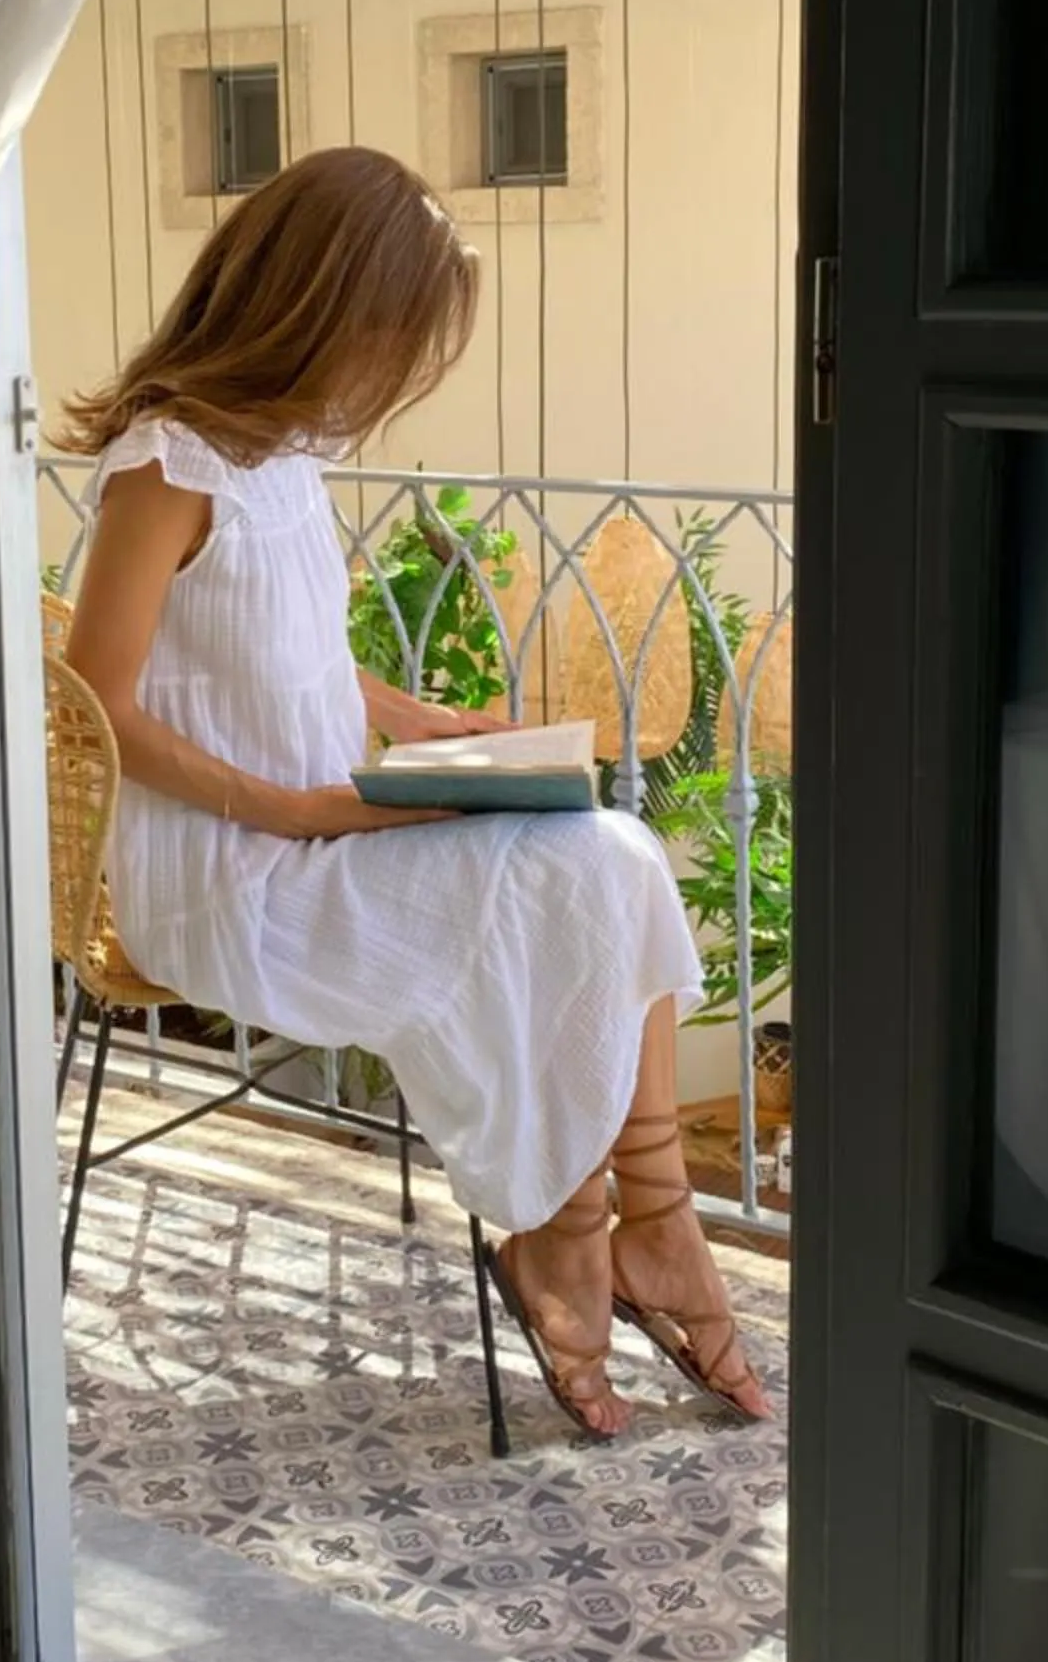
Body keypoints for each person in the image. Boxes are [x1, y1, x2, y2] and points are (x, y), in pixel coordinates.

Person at [60, 146, 770, 1439]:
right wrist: (288, 810)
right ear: (309, 310)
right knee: (596, 870)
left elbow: (294, 659)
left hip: (319, 835)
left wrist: (421, 722)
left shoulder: (279, 455)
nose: (384, 377)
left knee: (616, 858)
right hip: (233, 882)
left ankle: (622, 1223)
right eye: (386, 339)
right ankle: (595, 1234)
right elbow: (94, 696)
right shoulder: (165, 468)